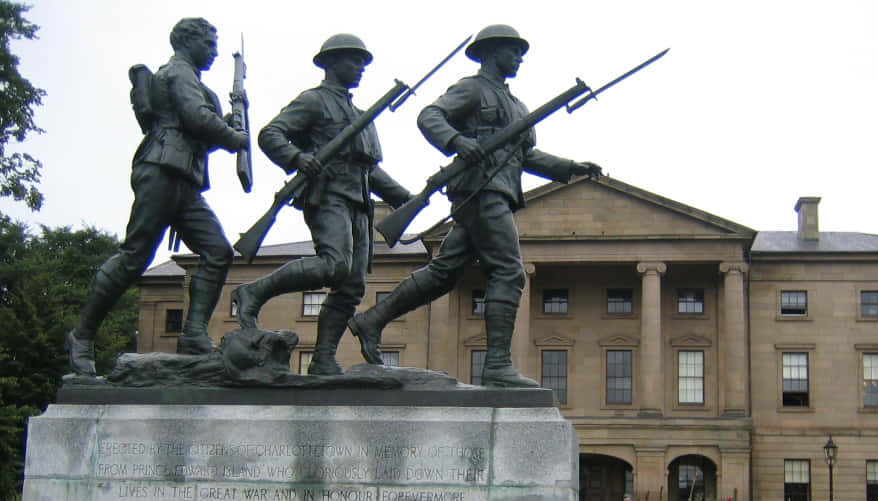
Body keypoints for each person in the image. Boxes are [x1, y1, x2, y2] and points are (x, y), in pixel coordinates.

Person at [347, 24, 601, 387]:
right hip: (481, 191)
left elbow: (525, 154)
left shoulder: (516, 105)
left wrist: (569, 167)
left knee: (444, 272)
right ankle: (496, 365)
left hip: (494, 193)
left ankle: (372, 319)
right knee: (510, 271)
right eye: (512, 51)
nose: (519, 57)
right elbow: (429, 116)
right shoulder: (472, 88)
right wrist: (457, 141)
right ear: (492, 52)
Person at [67, 17, 249, 375]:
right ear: (187, 41)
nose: (213, 52)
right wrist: (234, 136)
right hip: (161, 171)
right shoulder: (178, 73)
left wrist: (230, 123)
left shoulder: (195, 83)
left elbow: (201, 136)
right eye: (209, 44)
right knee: (135, 256)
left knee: (217, 251)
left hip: (184, 180)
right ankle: (82, 334)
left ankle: (194, 333)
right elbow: (197, 120)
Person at [231, 34, 411, 375]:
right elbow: (271, 134)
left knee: (352, 285)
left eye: (362, 62)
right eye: (353, 60)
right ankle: (254, 289)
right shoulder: (314, 101)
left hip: (359, 203)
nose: (360, 68)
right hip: (327, 195)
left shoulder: (360, 113)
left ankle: (323, 358)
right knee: (334, 266)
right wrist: (298, 158)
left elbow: (368, 169)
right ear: (330, 63)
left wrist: (403, 196)